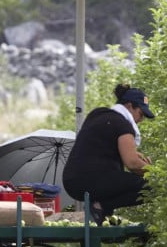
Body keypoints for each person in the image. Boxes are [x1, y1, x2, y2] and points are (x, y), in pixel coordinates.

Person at [62, 84, 154, 224]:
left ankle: (101, 212)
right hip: (93, 179)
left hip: (72, 180)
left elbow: (101, 146)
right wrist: (154, 172)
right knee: (153, 187)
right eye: (141, 114)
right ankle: (101, 207)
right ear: (129, 106)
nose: (141, 120)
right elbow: (132, 163)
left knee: (119, 180)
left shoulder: (98, 115)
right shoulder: (122, 124)